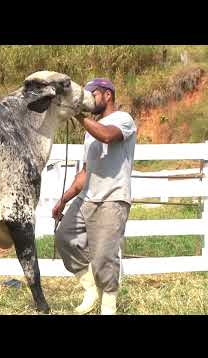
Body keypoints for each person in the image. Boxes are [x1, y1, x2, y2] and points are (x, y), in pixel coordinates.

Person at [52, 78, 137, 315]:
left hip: (112, 199)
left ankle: (108, 307)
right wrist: (64, 200)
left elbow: (108, 136)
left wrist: (79, 116)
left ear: (107, 95)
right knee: (64, 237)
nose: (89, 99)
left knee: (103, 257)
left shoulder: (123, 119)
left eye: (94, 94)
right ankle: (90, 289)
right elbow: (85, 171)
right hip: (87, 198)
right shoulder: (92, 129)